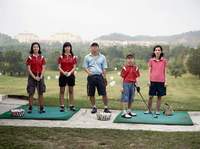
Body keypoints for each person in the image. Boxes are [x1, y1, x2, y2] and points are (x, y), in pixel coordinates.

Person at [83, 42, 111, 114]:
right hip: (91, 77)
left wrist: (104, 77)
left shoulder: (102, 57)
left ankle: (106, 108)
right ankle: (94, 107)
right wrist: (89, 73)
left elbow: (104, 68)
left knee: (104, 93)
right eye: (93, 47)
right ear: (90, 48)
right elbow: (85, 67)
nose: (94, 48)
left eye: (96, 47)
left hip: (100, 76)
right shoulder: (87, 57)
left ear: (98, 48)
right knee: (91, 93)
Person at [144, 45, 167, 115]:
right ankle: (149, 110)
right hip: (152, 81)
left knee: (159, 97)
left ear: (161, 51)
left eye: (159, 50)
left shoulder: (164, 61)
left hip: (161, 81)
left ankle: (157, 110)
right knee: (151, 96)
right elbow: (149, 71)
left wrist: (166, 81)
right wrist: (148, 80)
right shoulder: (151, 60)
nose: (157, 51)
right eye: (156, 50)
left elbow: (165, 71)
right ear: (154, 51)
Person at [26, 42, 46, 113]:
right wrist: (34, 77)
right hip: (32, 76)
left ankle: (41, 107)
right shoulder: (30, 57)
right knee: (31, 92)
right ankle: (30, 107)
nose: (35, 48)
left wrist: (40, 76)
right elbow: (28, 69)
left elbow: (43, 68)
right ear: (32, 48)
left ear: (39, 48)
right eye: (34, 47)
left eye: (37, 47)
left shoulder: (42, 57)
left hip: (40, 75)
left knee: (40, 92)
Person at [58, 42, 77, 112]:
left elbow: (74, 67)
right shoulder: (61, 57)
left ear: (70, 48)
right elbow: (59, 67)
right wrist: (64, 73)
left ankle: (71, 105)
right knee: (62, 91)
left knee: (71, 91)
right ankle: (62, 106)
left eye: (68, 47)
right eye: (66, 47)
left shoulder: (73, 57)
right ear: (64, 48)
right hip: (63, 75)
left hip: (71, 75)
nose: (67, 48)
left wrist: (69, 73)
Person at [120, 54, 140, 118]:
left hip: (133, 84)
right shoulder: (124, 67)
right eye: (128, 59)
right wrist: (121, 87)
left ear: (134, 60)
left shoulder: (136, 68)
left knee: (131, 98)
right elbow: (122, 78)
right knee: (125, 98)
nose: (130, 60)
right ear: (126, 60)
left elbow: (136, 77)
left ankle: (129, 111)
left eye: (131, 58)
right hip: (126, 84)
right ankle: (124, 112)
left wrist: (137, 86)